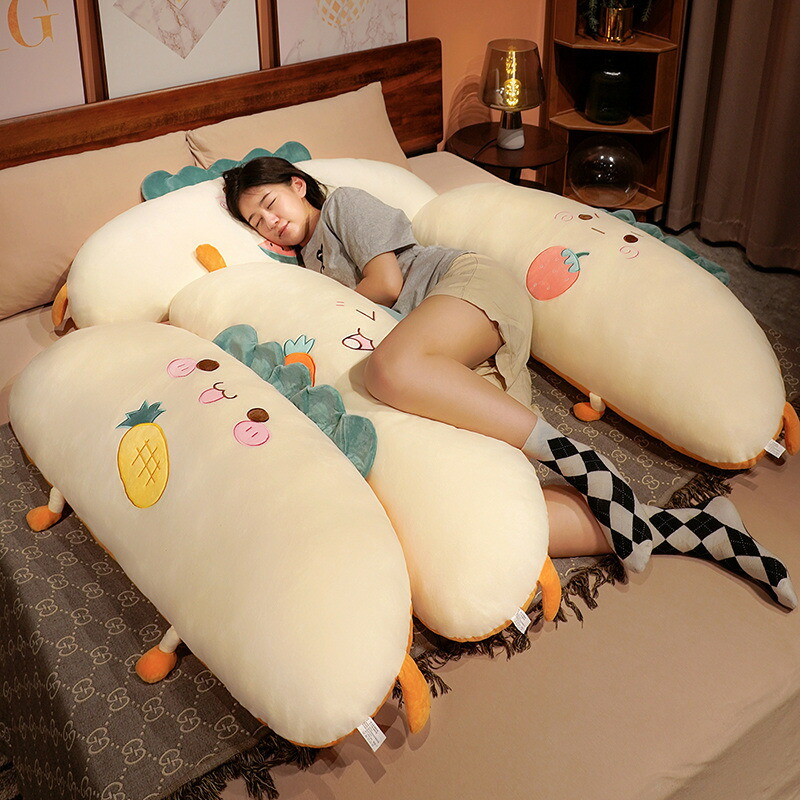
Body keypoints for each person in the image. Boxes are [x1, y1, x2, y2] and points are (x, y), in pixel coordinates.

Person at [222, 156, 796, 610]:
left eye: (270, 203)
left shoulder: (343, 206)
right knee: (492, 509)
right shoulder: (307, 264)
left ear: (299, 185)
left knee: (388, 369)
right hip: (440, 363)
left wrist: (330, 300)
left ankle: (578, 458)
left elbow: (388, 283)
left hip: (462, 293)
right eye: (257, 222)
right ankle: (696, 528)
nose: (270, 222)